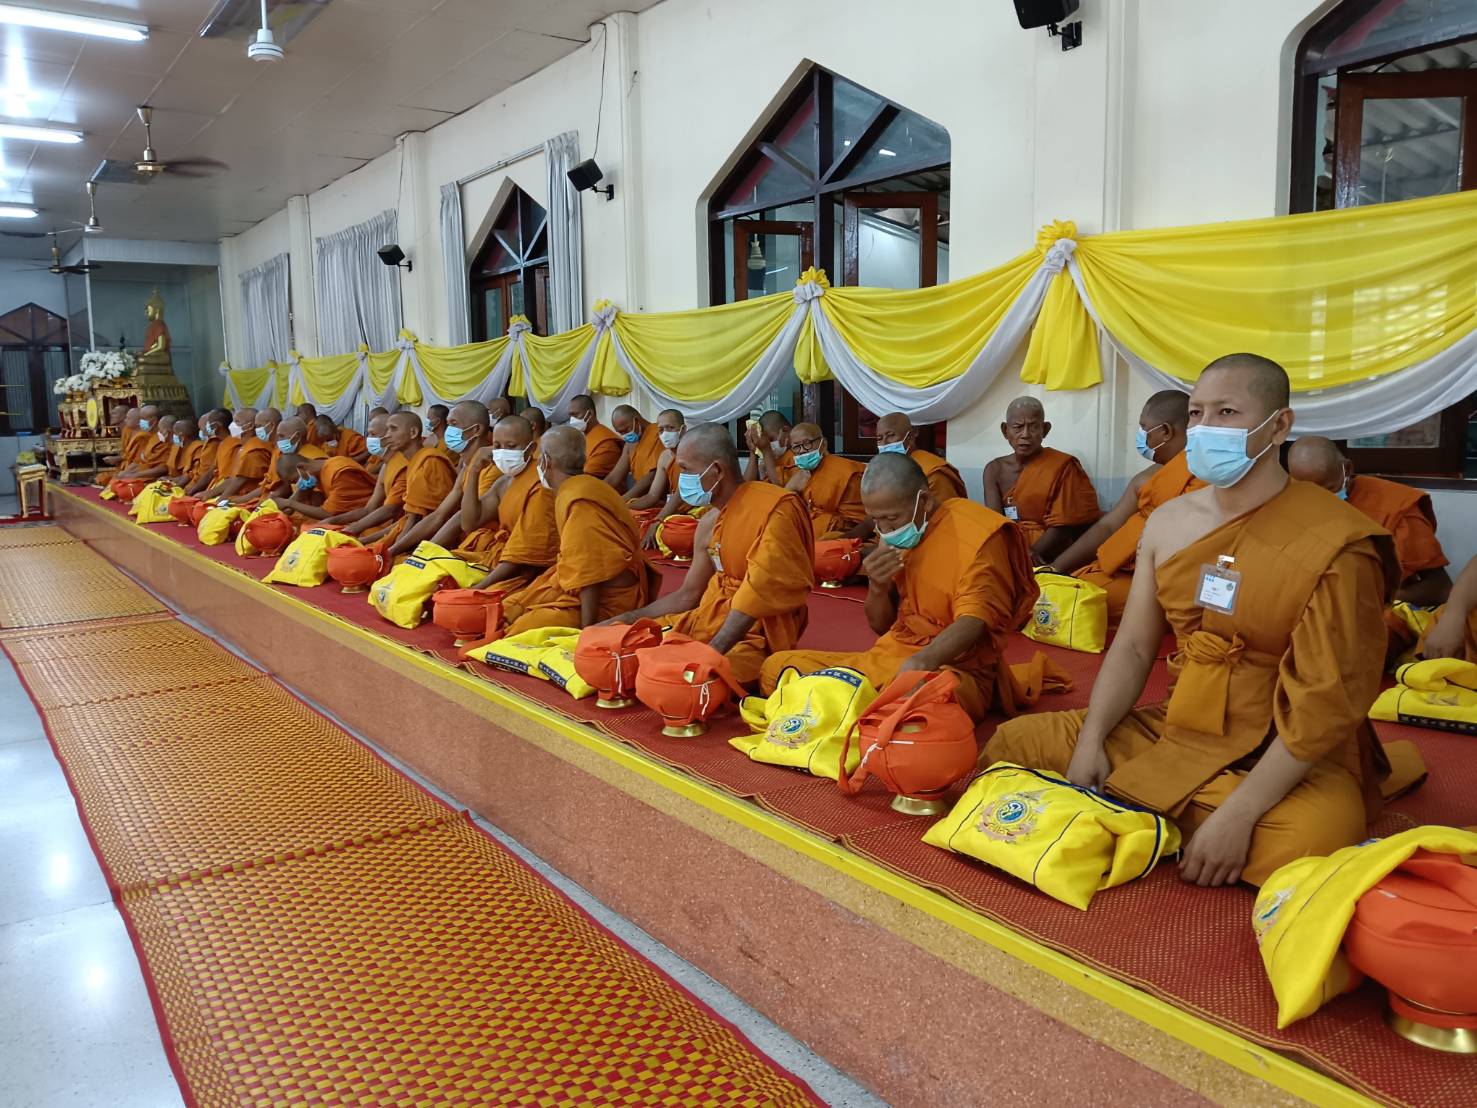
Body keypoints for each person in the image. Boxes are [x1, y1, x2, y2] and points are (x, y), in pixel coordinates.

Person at [985, 354, 1414, 888]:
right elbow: (1134, 647)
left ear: (1278, 425)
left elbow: (1325, 703)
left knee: (1306, 837)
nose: (1206, 428)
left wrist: (1243, 812)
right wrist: (1092, 739)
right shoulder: (1169, 521)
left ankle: (1154, 807)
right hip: (1180, 724)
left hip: (1285, 744)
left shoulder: (1337, 540)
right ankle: (1176, 811)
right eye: (1196, 413)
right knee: (1015, 743)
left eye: (1227, 412)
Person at [761, 453, 1037, 720]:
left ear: (924, 501)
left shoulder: (977, 534)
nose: (884, 530)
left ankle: (841, 705)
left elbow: (974, 621)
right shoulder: (896, 535)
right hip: (891, 657)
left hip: (953, 668)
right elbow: (882, 626)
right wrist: (878, 587)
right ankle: (857, 707)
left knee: (923, 698)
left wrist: (923, 661)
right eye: (876, 520)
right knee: (777, 668)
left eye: (891, 519)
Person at [610, 424, 814, 685]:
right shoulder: (709, 522)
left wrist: (712, 652)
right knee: (616, 646)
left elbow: (757, 595)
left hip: (753, 636)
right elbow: (689, 593)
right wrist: (630, 618)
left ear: (716, 470)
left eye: (685, 469)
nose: (681, 479)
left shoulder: (775, 509)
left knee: (683, 682)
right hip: (706, 620)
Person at [1044, 390, 1200, 629]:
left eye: (1144, 427)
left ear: (1165, 431)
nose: (1140, 435)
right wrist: (1055, 567)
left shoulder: (1207, 478)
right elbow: (1108, 525)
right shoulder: (1149, 476)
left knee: (1060, 601)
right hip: (1120, 571)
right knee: (1058, 589)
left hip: (1166, 583)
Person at [490, 426, 657, 635]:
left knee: (521, 629)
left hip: (605, 600)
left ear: (546, 461)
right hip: (574, 584)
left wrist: (586, 630)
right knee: (507, 607)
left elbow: (589, 573)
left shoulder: (579, 500)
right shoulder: (582, 487)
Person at [1286, 436, 1450, 607]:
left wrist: (1370, 597)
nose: (1322, 501)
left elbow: (1441, 589)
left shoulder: (1396, 508)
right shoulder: (1293, 506)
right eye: (1312, 493)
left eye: (1328, 489)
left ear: (1347, 469)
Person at [436, 414, 559, 587]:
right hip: (499, 559)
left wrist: (479, 588)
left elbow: (524, 553)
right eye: (497, 446)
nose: (503, 452)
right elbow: (469, 522)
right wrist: (474, 471)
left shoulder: (541, 484)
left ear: (531, 448)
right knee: (435, 571)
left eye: (511, 446)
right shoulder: (504, 482)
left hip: (526, 571)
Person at [983, 397, 1101, 565]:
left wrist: (1032, 553)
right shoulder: (994, 470)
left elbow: (1063, 526)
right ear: (1005, 430)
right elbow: (995, 522)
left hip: (1050, 551)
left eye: (1033, 427)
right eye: (1018, 427)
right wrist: (1013, 553)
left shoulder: (1063, 466)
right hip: (1009, 547)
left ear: (1044, 430)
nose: (1025, 435)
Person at [382, 403, 484, 556]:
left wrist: (417, 555)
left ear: (476, 430)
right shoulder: (467, 467)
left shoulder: (432, 461)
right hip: (432, 537)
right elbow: (438, 515)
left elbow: (458, 518)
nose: (387, 435)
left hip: (475, 547)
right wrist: (393, 551)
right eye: (448, 424)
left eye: (453, 424)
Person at [783, 422, 868, 538]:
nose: (802, 450)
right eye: (796, 447)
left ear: (823, 444)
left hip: (845, 533)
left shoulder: (845, 471)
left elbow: (863, 518)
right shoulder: (800, 475)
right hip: (813, 529)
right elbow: (785, 504)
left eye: (807, 443)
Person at [875, 412, 965, 503]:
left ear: (910, 437)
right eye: (879, 438)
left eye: (890, 435)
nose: (885, 443)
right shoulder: (883, 468)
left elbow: (946, 510)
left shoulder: (933, 473)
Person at [323, 413, 394, 529]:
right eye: (368, 434)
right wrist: (333, 521)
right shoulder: (386, 466)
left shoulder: (403, 465)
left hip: (394, 526)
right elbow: (369, 509)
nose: (368, 439)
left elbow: (391, 511)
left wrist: (353, 530)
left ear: (390, 436)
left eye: (373, 434)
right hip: (378, 521)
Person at [272, 451, 377, 521]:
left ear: (302, 467)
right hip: (348, 517)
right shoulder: (316, 475)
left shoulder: (338, 473)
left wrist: (289, 503)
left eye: (296, 480)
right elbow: (301, 500)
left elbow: (328, 513)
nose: (298, 484)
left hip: (371, 516)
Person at [200, 408, 273, 502]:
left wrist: (220, 501)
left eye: (237, 421)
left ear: (250, 425)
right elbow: (233, 478)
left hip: (249, 499)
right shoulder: (244, 446)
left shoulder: (255, 450)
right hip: (236, 496)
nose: (232, 425)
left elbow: (239, 481)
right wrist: (210, 494)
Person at [257, 416, 326, 501]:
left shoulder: (313, 459)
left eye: (281, 436)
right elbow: (286, 485)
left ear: (297, 436)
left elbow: (313, 496)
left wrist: (287, 505)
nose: (278, 440)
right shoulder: (287, 454)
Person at [603, 404, 662, 492]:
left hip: (657, 494)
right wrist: (596, 491)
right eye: (621, 433)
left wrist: (625, 498)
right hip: (639, 495)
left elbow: (651, 476)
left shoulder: (659, 434)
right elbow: (614, 477)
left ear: (636, 420)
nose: (625, 435)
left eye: (626, 430)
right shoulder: (629, 444)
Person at [568, 394, 623, 479]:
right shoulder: (584, 438)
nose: (572, 420)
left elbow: (587, 476)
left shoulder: (606, 444)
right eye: (570, 416)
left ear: (589, 414)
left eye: (575, 415)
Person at [184, 410, 232, 496]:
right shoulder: (222, 443)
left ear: (215, 425)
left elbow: (234, 478)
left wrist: (214, 497)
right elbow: (210, 471)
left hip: (226, 492)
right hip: (212, 488)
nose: (201, 431)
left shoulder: (233, 444)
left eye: (207, 424)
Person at [743, 410, 794, 484]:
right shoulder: (772, 457)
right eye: (766, 442)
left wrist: (766, 450)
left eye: (771, 439)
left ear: (785, 430)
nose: (768, 444)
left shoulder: (799, 454)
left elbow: (781, 487)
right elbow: (747, 486)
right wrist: (753, 452)